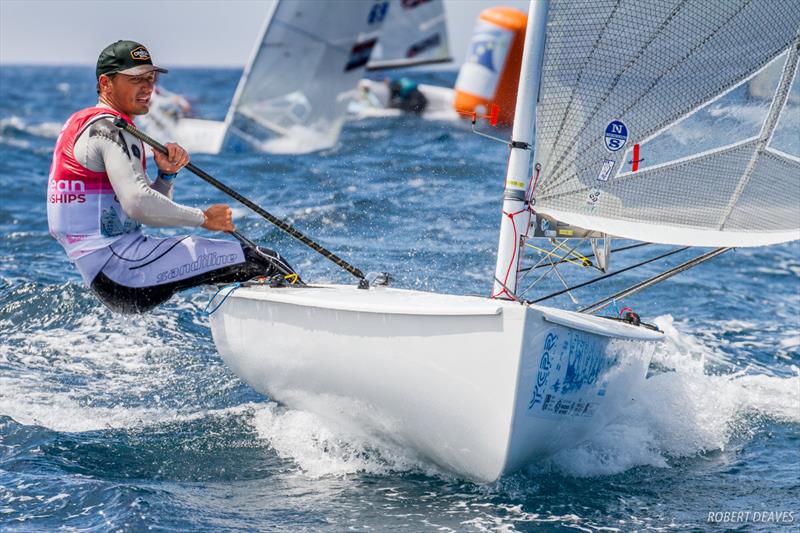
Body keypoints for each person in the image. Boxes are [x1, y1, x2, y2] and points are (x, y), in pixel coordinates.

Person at [47, 40, 299, 313]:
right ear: (106, 83)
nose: (148, 87)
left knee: (234, 268)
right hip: (123, 268)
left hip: (112, 271)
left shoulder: (82, 122)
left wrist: (166, 176)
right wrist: (204, 219)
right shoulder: (112, 129)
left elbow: (133, 210)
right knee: (266, 261)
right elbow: (139, 206)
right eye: (136, 80)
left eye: (151, 78)